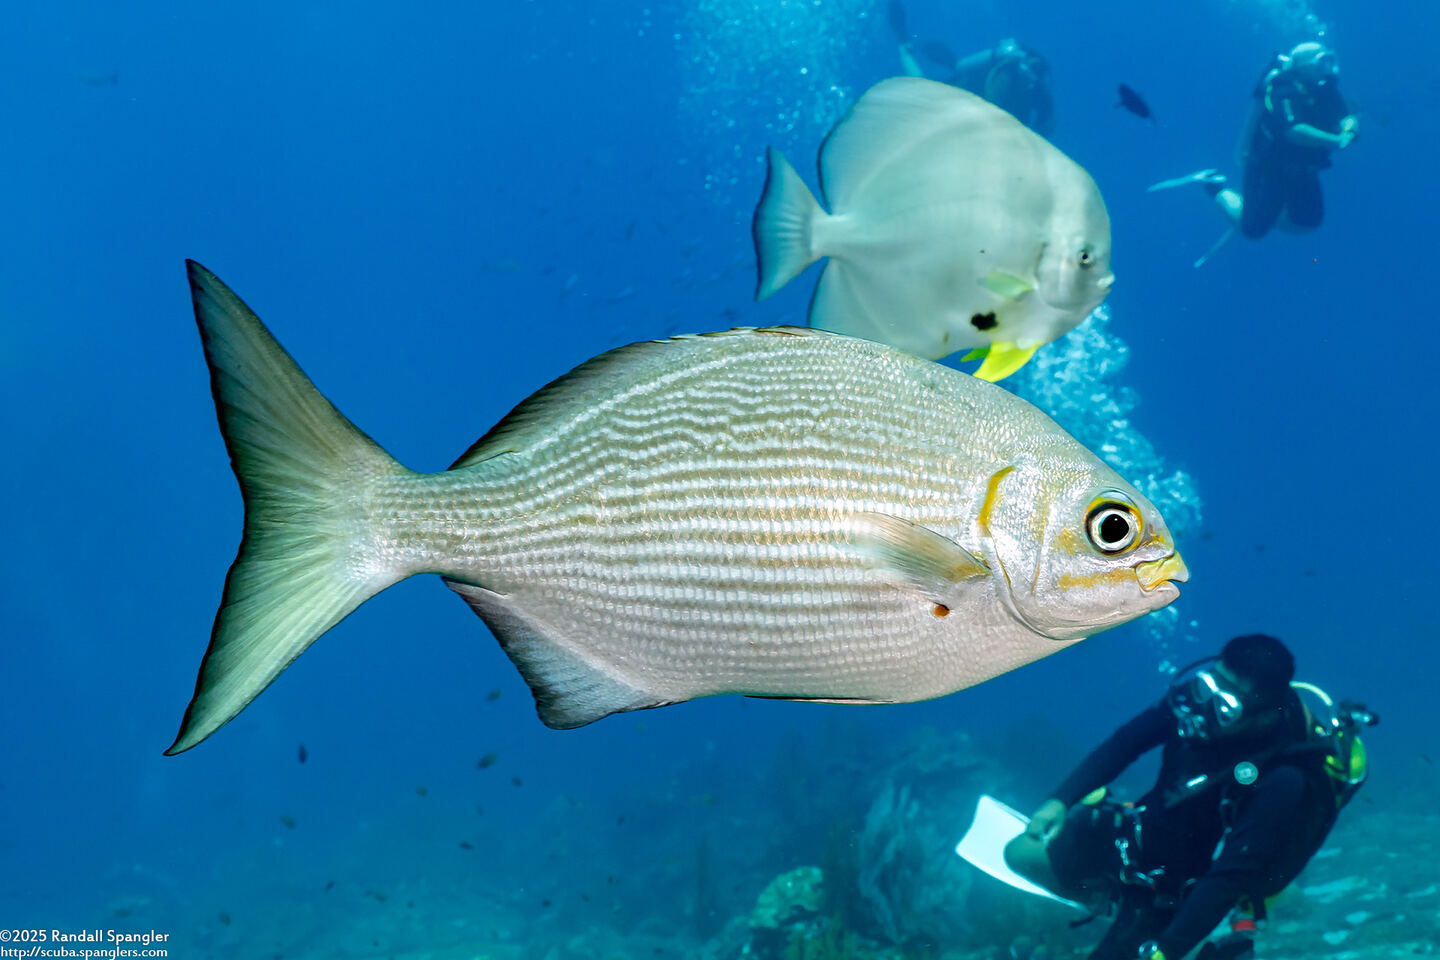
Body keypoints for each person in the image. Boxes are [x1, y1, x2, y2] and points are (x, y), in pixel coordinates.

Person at [1004, 634, 1375, 960]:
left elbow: (1229, 876)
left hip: (1178, 890)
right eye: (1209, 685)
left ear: (1263, 712)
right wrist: (1060, 800)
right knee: (1018, 854)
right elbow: (1124, 744)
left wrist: (1167, 950)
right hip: (1139, 838)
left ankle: (1136, 914)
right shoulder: (1191, 703)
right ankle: (1106, 895)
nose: (1203, 706)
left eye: (1224, 704)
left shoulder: (1283, 778)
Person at [1151, 42, 1358, 258]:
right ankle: (1213, 185)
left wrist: (1350, 131)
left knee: (1308, 222)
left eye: (1331, 59)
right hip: (1268, 168)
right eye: (1322, 61)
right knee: (1252, 230)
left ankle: (1259, 212)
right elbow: (1294, 131)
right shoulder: (1284, 89)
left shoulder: (1327, 90)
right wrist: (1336, 140)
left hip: (1303, 170)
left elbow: (1347, 116)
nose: (1330, 66)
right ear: (1304, 67)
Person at [887, 4, 1054, 135]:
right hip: (969, 89)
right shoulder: (1008, 67)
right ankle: (903, 45)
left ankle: (905, 45)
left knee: (930, 89)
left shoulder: (1039, 94)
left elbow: (1043, 131)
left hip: (978, 97)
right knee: (925, 93)